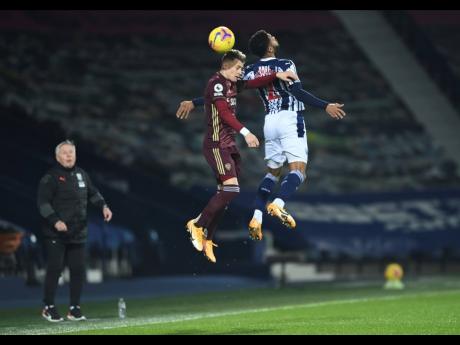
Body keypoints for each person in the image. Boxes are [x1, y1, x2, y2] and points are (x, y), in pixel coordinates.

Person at [177, 30, 346, 241]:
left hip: (270, 123)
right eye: (270, 36)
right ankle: (277, 205)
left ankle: (257, 216)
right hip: (290, 118)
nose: (274, 36)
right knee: (299, 171)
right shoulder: (285, 64)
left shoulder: (250, 70)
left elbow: (224, 91)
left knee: (272, 174)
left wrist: (194, 102)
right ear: (269, 47)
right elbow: (298, 92)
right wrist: (325, 105)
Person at [178, 49, 297, 263]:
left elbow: (252, 83)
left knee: (225, 194)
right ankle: (196, 225)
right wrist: (246, 132)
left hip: (229, 145)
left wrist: (276, 76)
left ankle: (207, 239)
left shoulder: (232, 83)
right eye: (239, 68)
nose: (241, 72)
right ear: (226, 66)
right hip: (216, 144)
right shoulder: (216, 83)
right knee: (232, 189)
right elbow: (222, 111)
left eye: (242, 68)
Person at [37, 140, 113, 322]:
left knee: (78, 270)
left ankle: (74, 308)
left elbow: (93, 193)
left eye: (72, 152)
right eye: (65, 153)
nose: (69, 155)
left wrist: (104, 206)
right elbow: (42, 203)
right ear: (57, 157)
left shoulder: (81, 174)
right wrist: (55, 221)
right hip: (56, 233)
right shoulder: (50, 177)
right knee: (55, 269)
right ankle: (48, 307)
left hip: (78, 232)